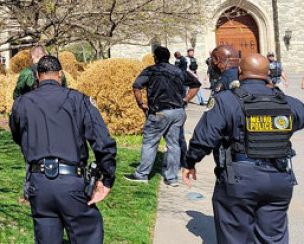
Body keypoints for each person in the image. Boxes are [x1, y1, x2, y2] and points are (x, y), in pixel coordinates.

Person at [183, 53, 304, 244]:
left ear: (240, 71)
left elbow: (205, 137)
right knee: (273, 238)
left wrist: (190, 162)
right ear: (268, 73)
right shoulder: (288, 103)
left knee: (236, 237)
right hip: (279, 177)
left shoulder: (225, 100)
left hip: (239, 178)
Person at [10, 55, 117, 244]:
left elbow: (18, 136)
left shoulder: (22, 103)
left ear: (37, 75)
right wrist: (106, 179)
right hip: (71, 182)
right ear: (60, 74)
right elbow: (102, 142)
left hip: (39, 182)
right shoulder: (78, 100)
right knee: (87, 235)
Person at [125, 46, 200, 187]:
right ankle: (171, 178)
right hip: (178, 112)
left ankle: (142, 174)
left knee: (150, 143)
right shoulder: (179, 71)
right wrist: (186, 99)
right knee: (173, 144)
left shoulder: (151, 70)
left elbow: (136, 87)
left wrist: (141, 104)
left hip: (159, 112)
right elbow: (196, 84)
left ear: (155, 58)